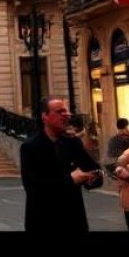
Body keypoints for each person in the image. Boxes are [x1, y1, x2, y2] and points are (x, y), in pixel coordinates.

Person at [19, 96, 103, 233]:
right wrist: (71, 180)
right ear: (44, 116)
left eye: (66, 112)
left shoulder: (73, 143)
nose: (65, 116)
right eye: (59, 112)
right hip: (43, 221)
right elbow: (32, 186)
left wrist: (92, 178)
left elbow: (95, 170)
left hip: (74, 220)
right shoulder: (30, 147)